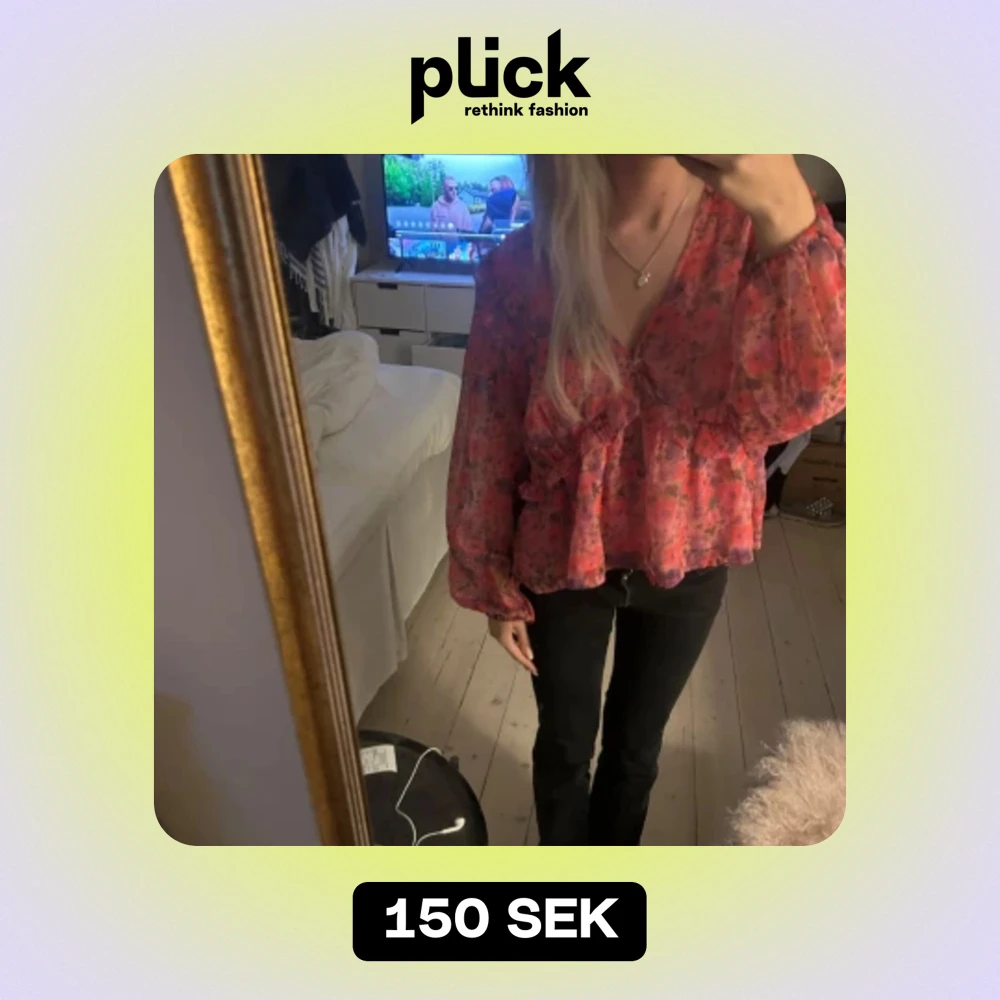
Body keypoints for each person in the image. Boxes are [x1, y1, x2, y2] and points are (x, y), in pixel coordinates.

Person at [446, 155, 846, 846]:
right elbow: (488, 432)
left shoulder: (757, 244)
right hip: (560, 559)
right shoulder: (524, 265)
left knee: (636, 751)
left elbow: (811, 399)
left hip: (690, 559)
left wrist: (786, 212)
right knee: (564, 745)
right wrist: (492, 585)